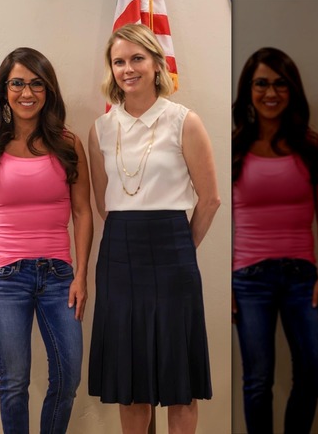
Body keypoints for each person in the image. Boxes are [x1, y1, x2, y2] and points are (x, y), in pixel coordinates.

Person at [87, 23, 220, 434]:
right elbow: (103, 202)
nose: (129, 68)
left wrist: (181, 246)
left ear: (157, 64)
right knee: (131, 382)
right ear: (112, 69)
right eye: (119, 61)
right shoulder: (100, 129)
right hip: (119, 255)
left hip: (173, 252)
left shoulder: (185, 121)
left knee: (179, 381)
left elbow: (210, 198)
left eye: (137, 58)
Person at [0, 47, 93, 434]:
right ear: (4, 89)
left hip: (59, 277)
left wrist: (81, 276)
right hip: (6, 278)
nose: (27, 92)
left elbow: (83, 212)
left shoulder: (68, 144)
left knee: (68, 377)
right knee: (14, 383)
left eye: (36, 84)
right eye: (17, 83)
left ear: (48, 91)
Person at [230, 47, 318, 434]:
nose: (270, 93)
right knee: (258, 382)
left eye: (279, 84)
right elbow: (222, 216)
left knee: (311, 373)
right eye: (261, 83)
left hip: (303, 278)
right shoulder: (235, 147)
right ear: (249, 90)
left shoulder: (312, 145)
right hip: (248, 279)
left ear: (292, 90)